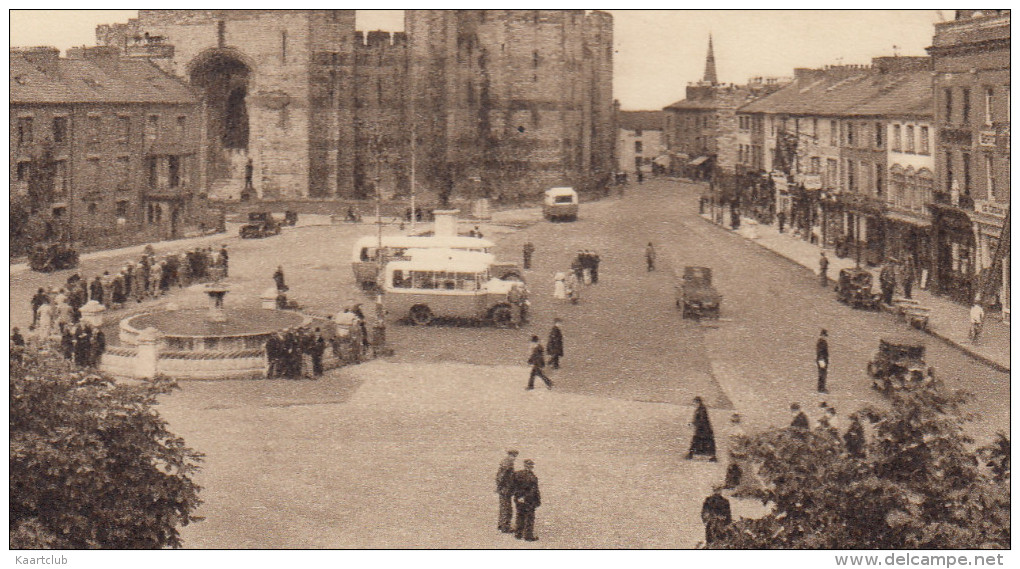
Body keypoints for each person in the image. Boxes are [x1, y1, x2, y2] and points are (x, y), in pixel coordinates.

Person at [512, 459, 542, 541]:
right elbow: (534, 490)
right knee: (529, 518)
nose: (531, 467)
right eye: (530, 466)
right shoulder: (532, 477)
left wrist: (518, 497)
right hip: (529, 500)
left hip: (519, 499)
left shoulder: (517, 474)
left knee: (520, 515)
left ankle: (518, 534)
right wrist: (537, 500)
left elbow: (513, 486)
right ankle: (528, 536)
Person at [686, 396, 717, 461]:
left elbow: (701, 420)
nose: (694, 404)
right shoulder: (700, 409)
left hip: (703, 430)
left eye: (694, 403)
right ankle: (712, 456)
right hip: (703, 429)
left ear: (698, 402)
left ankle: (690, 454)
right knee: (708, 443)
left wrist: (693, 424)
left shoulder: (701, 409)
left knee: (697, 441)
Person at [496, 449, 518, 533]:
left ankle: (501, 524)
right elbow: (502, 477)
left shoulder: (504, 463)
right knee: (507, 509)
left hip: (503, 489)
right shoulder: (508, 464)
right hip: (505, 489)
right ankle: (505, 527)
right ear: (510, 455)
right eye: (513, 456)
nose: (514, 458)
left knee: (503, 507)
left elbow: (499, 477)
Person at [816, 329, 829, 393]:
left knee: (822, 374)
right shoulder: (822, 343)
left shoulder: (821, 342)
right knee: (822, 374)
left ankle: (821, 387)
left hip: (822, 359)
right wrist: (822, 360)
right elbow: (821, 352)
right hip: (822, 360)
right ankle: (821, 388)